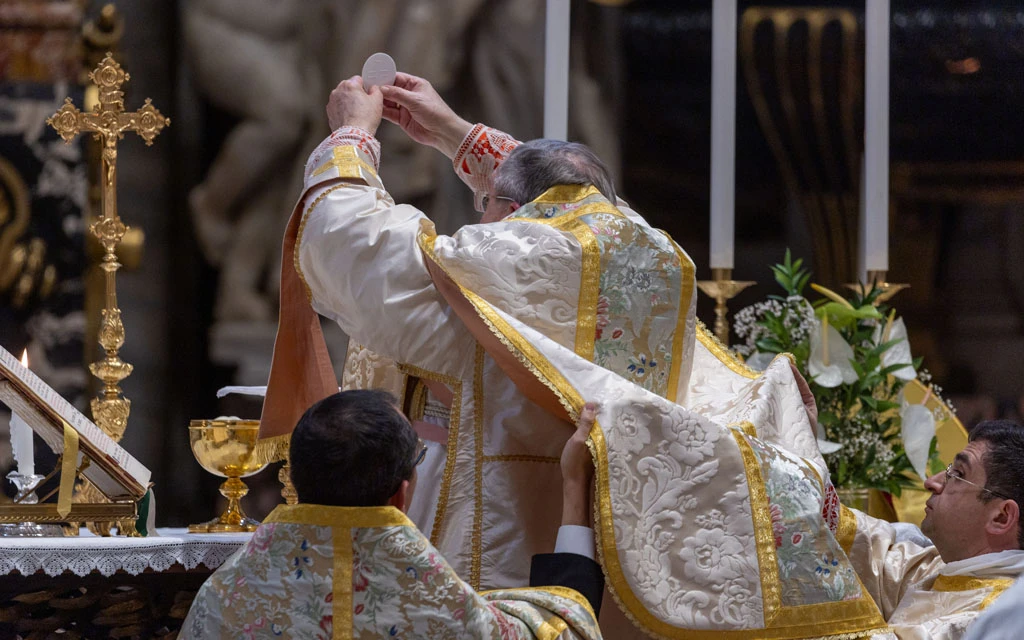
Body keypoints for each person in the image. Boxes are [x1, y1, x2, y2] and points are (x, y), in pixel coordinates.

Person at [258, 71, 828, 637]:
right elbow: (573, 190)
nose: (479, 217)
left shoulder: (488, 269)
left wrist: (352, 138)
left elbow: (349, 248)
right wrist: (458, 135)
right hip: (615, 543)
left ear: (508, 211)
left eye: (485, 204)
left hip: (492, 544)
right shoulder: (650, 255)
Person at [181, 390, 604, 639]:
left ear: (294, 480)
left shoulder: (224, 599)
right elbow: (566, 625)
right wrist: (574, 484)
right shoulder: (444, 610)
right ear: (402, 495)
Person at [843, 419, 1024, 638]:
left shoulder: (992, 618)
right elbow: (866, 550)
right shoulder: (947, 567)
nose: (932, 482)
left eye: (958, 475)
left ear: (1001, 517)